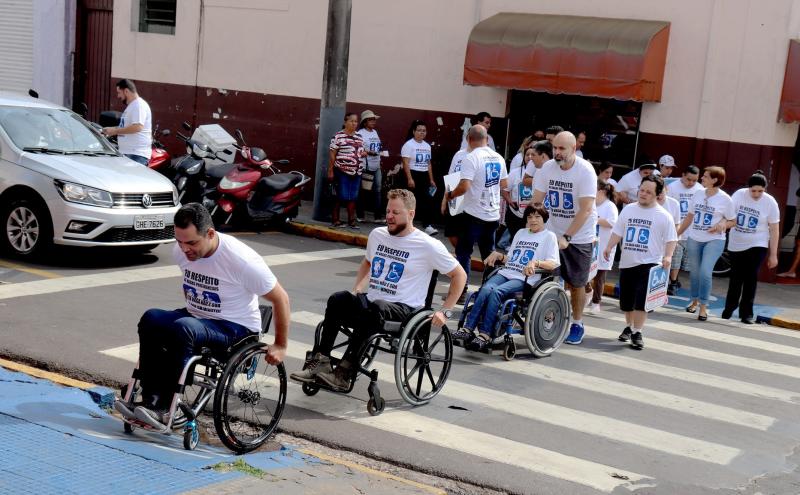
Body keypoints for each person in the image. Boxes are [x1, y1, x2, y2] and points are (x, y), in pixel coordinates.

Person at [115, 203, 291, 427]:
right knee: (151, 319)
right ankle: (151, 399)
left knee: (184, 328)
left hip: (235, 327)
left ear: (210, 233)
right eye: (179, 241)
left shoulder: (242, 261)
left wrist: (281, 345)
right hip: (198, 316)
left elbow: (281, 298)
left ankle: (166, 408)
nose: (184, 249)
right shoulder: (181, 251)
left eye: (191, 243)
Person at [290, 189, 467, 390]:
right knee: (338, 299)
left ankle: (344, 372)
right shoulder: (378, 235)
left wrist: (445, 311)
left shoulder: (428, 245)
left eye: (396, 213)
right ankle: (319, 362)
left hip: (404, 309)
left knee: (377, 307)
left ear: (411, 214)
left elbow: (459, 275)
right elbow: (368, 262)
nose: (389, 217)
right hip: (373, 302)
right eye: (388, 211)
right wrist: (357, 289)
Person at [455, 205, 560, 350]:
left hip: (526, 278)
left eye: (537, 217)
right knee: (485, 289)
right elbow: (510, 258)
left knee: (496, 292)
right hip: (507, 272)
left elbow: (553, 263)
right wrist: (498, 255)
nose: (533, 220)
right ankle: (468, 329)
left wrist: (536, 263)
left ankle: (485, 335)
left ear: (544, 219)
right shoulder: (521, 233)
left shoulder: (549, 236)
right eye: (530, 217)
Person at [531, 131, 598, 345]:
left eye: (562, 149)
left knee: (577, 282)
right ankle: (547, 315)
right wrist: (533, 228)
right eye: (555, 148)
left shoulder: (585, 171)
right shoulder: (547, 169)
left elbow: (586, 209)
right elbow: (537, 202)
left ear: (574, 149)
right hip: (553, 230)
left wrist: (568, 236)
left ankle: (577, 323)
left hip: (579, 234)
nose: (557, 152)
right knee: (547, 277)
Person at [604, 176, 677, 350]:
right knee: (626, 301)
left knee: (641, 300)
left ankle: (637, 331)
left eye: (648, 192)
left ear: (658, 195)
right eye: (642, 190)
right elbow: (618, 231)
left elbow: (671, 239)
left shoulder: (664, 216)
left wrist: (668, 256)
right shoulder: (628, 210)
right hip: (628, 262)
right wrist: (608, 247)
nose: (643, 194)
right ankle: (629, 326)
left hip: (650, 263)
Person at [445, 125, 509, 300]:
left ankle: (461, 292)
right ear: (486, 139)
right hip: (493, 215)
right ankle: (489, 293)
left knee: (464, 252)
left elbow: (464, 186)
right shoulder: (499, 158)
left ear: (468, 139)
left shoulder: (471, 157)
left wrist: (451, 195)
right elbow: (504, 185)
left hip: (473, 214)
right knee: (489, 255)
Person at [677, 166, 735, 321]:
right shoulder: (697, 194)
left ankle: (703, 307)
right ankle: (694, 300)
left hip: (714, 240)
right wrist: (676, 234)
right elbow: (689, 218)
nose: (702, 178)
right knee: (695, 272)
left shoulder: (725, 199)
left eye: (705, 176)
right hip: (694, 238)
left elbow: (733, 221)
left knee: (705, 271)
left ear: (715, 180)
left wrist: (723, 224)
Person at [722, 171, 780, 323]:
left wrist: (773, 254)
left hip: (758, 242)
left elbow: (774, 228)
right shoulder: (739, 195)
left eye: (760, 191)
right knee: (736, 277)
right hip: (737, 242)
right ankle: (729, 307)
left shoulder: (770, 202)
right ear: (748, 188)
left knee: (750, 277)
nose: (756, 194)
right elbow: (728, 215)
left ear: (765, 189)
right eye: (753, 190)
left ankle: (746, 313)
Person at [666, 165, 703, 294]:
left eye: (694, 180)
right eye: (688, 179)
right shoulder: (672, 188)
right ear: (682, 175)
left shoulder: (700, 189)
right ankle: (673, 282)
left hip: (692, 231)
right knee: (675, 258)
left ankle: (675, 280)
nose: (691, 183)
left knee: (686, 261)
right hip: (677, 227)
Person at [328, 113, 365, 229]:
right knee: (339, 195)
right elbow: (332, 154)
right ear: (345, 122)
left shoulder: (359, 136)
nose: (354, 123)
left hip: (357, 172)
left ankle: (351, 221)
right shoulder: (338, 136)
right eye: (351, 121)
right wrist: (330, 170)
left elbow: (360, 151)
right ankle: (335, 220)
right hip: (341, 170)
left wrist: (364, 154)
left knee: (353, 196)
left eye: (356, 121)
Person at [102, 79, 152, 165]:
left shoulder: (138, 105)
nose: (118, 96)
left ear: (126, 91)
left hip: (136, 155)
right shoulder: (132, 106)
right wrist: (111, 130)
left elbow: (138, 127)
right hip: (129, 154)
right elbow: (127, 126)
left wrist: (115, 131)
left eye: (119, 92)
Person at [587, 179, 618, 314]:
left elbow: (611, 223)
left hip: (604, 245)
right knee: (584, 273)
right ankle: (588, 291)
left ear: (602, 191)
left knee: (600, 275)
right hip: (589, 244)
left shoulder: (610, 206)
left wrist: (594, 218)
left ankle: (596, 302)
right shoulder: (591, 203)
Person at [401, 120, 438, 235]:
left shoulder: (427, 146)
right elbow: (406, 163)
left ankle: (427, 226)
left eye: (424, 131)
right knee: (410, 201)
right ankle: (406, 224)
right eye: (419, 130)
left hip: (424, 175)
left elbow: (428, 164)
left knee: (426, 201)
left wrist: (431, 179)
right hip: (413, 174)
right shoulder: (408, 145)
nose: (422, 133)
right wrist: (410, 178)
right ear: (413, 131)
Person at [501, 145, 536, 247]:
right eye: (527, 155)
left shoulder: (542, 172)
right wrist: (510, 201)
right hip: (515, 214)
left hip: (533, 216)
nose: (529, 157)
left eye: (532, 155)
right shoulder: (515, 172)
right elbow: (504, 190)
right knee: (516, 243)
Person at [356, 110, 384, 223]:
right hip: (366, 166)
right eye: (371, 120)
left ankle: (377, 217)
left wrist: (379, 154)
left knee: (377, 189)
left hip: (376, 165)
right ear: (365, 122)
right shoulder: (360, 133)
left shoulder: (375, 132)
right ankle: (360, 215)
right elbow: (358, 149)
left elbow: (377, 147)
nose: (373, 121)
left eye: (374, 120)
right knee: (364, 190)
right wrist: (368, 152)